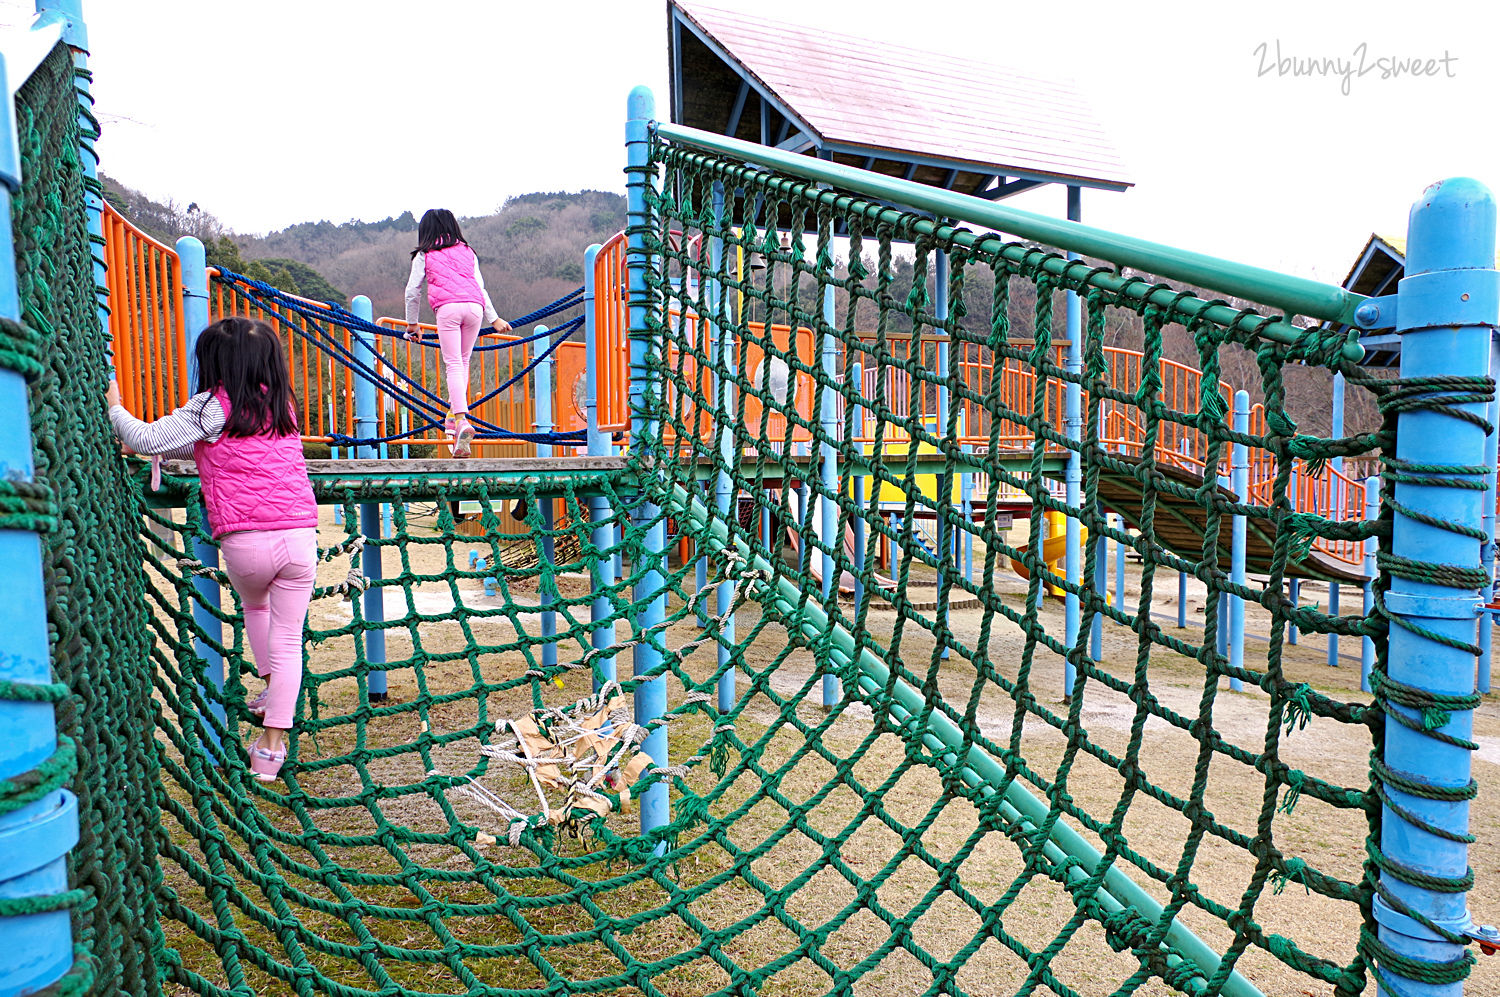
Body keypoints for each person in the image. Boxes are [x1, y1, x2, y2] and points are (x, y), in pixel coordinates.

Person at [107, 317, 317, 783]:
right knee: (289, 643)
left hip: (245, 542)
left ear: (214, 363)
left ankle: (265, 688)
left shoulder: (209, 408)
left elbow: (145, 439)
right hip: (300, 538)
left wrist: (115, 406)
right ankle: (271, 748)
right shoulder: (284, 406)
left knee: (254, 605)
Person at [404, 208, 511, 457]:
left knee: (453, 363)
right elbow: (480, 287)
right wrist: (493, 319)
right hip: (475, 307)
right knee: (462, 362)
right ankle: (453, 417)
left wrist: (412, 324)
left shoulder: (425, 254)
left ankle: (461, 420)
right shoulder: (467, 252)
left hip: (448, 309)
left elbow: (413, 291)